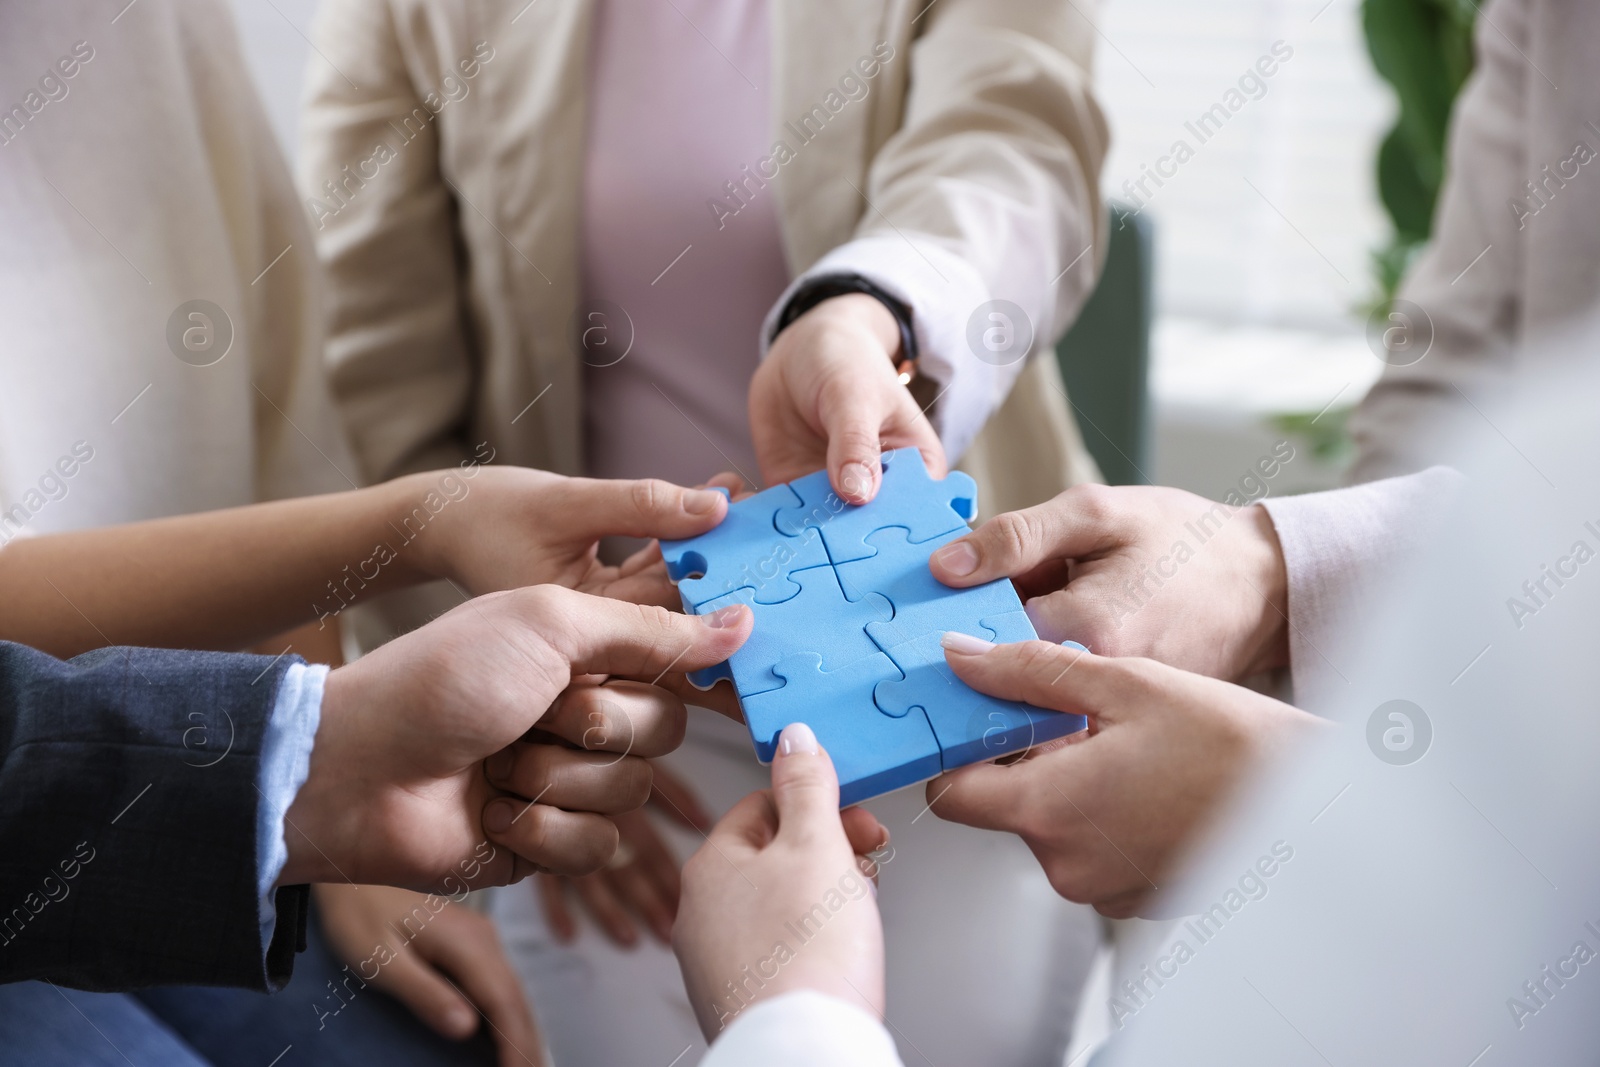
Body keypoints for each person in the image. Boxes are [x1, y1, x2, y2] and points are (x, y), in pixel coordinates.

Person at [300, 2, 1110, 1060]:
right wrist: (524, 719)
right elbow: (387, 401)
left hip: (950, 638)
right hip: (622, 712)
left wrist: (867, 308)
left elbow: (1019, 139)